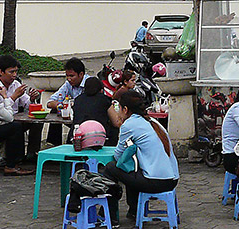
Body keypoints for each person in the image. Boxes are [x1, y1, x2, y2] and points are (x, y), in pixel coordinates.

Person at [104, 90, 180, 220]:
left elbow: (117, 156)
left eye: (119, 108)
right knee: (132, 169)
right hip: (172, 179)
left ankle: (110, 216)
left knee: (111, 168)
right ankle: (134, 210)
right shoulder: (153, 122)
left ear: (125, 109)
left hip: (157, 181)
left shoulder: (129, 125)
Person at [0, 54, 42, 173]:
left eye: (16, 72)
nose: (14, 75)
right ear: (1, 72)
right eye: (11, 72)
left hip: (17, 117)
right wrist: (14, 96)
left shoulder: (16, 83)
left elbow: (26, 104)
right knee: (16, 126)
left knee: (37, 121)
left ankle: (32, 152)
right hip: (1, 120)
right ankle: (14, 158)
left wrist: (31, 98)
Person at [45, 57, 92, 145]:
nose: (68, 79)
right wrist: (62, 104)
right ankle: (53, 144)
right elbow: (50, 102)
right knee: (55, 110)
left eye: (71, 76)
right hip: (73, 115)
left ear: (81, 74)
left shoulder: (90, 83)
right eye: (67, 76)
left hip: (87, 119)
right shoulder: (68, 84)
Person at [73, 76, 119, 146]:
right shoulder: (104, 100)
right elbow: (116, 122)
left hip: (78, 137)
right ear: (101, 90)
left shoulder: (78, 100)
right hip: (99, 138)